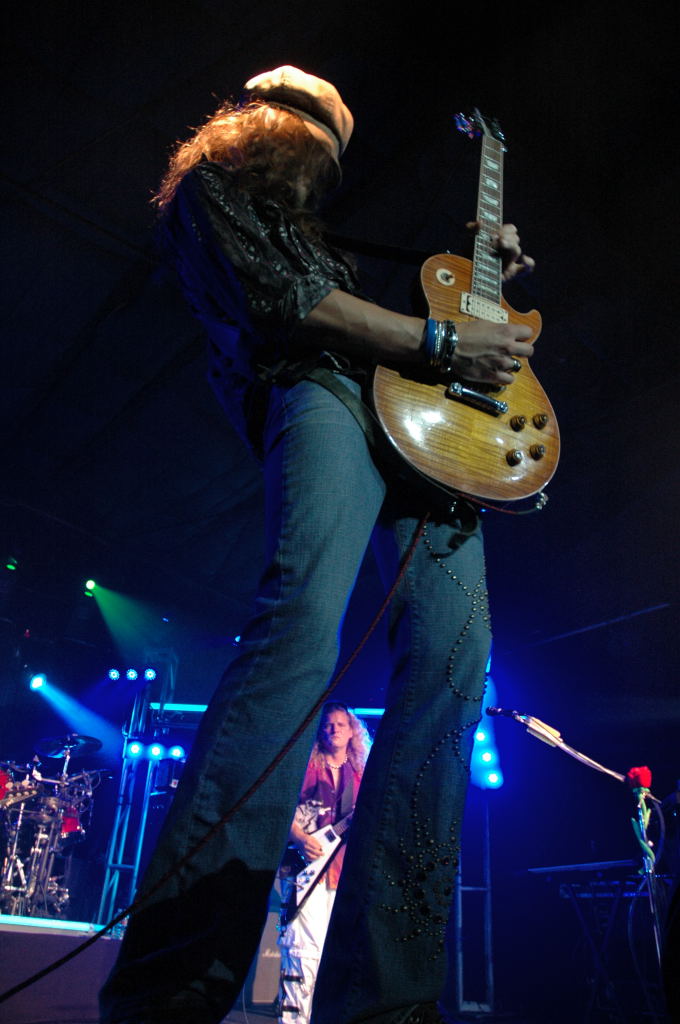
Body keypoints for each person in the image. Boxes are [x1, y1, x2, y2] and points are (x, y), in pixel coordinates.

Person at [99, 65, 535, 1024]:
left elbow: (412, 317)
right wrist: (439, 345)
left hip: (416, 422)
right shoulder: (211, 187)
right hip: (323, 392)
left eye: (333, 147)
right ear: (262, 123)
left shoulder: (326, 233)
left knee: (457, 667)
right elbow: (294, 306)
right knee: (300, 632)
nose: (325, 158)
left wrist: (477, 280)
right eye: (315, 134)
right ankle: (174, 986)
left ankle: (387, 999)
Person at [278, 703, 371, 1024]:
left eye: (341, 724)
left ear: (352, 731)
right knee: (302, 951)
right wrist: (299, 837)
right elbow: (279, 807)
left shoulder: (360, 773)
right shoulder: (306, 766)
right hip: (305, 870)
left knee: (340, 957)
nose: (334, 730)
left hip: (345, 874)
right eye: (329, 724)